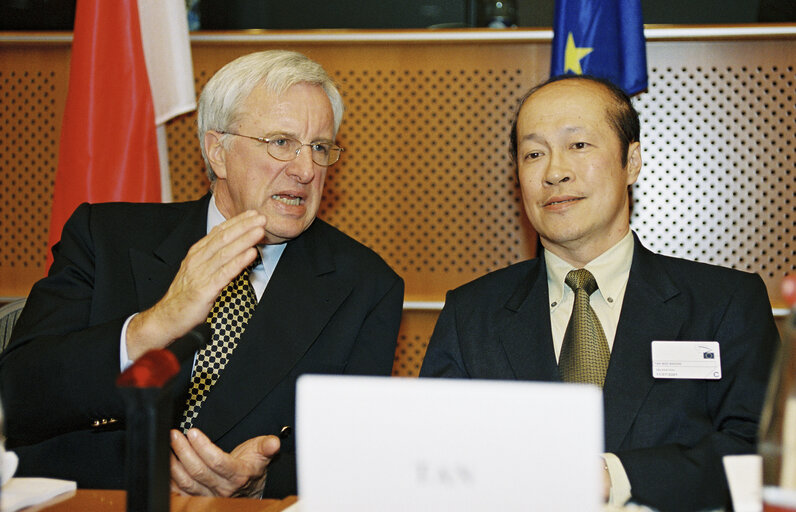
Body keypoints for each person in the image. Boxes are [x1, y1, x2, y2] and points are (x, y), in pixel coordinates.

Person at [0, 50, 404, 499]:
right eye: (281, 143)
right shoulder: (106, 237)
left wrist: (260, 484)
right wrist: (156, 324)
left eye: (320, 147)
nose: (307, 170)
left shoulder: (364, 284)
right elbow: (17, 399)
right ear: (218, 152)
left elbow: (355, 460)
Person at [419, 75, 779, 511]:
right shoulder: (471, 314)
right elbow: (433, 461)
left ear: (632, 161)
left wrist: (614, 476)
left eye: (579, 145)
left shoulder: (725, 303)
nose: (554, 172)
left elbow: (760, 454)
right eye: (534, 153)